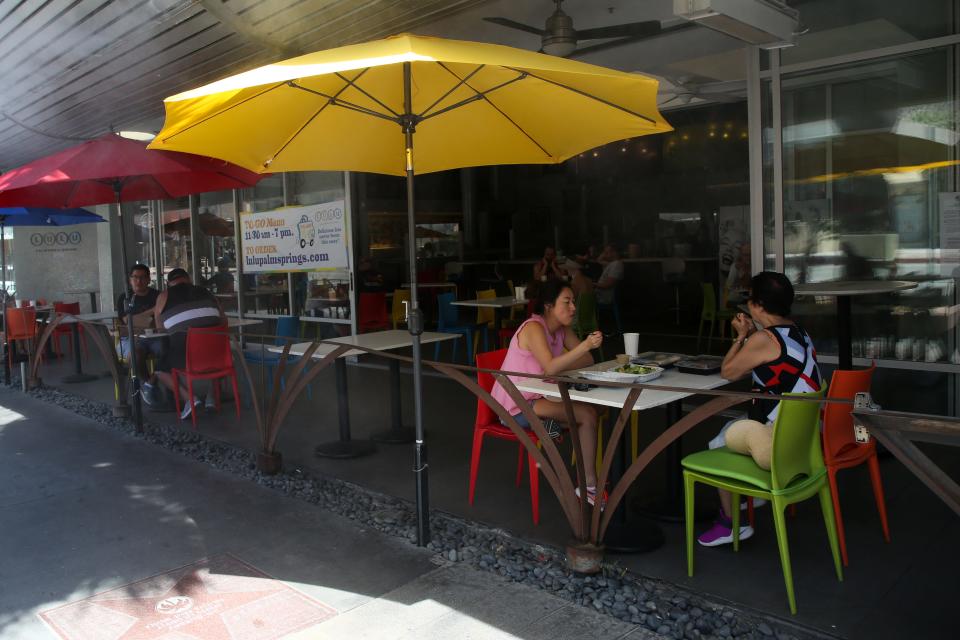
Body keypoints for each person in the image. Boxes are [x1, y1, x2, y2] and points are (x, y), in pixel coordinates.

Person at [697, 271, 822, 547]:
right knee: (734, 428)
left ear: (758, 305)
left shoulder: (766, 339)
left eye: (750, 298)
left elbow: (728, 371)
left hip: (775, 434)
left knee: (716, 444)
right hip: (803, 432)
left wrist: (741, 336)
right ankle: (751, 494)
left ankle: (731, 524)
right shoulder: (799, 332)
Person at [490, 278, 606, 506]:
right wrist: (582, 347)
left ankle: (550, 427)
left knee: (593, 412)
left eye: (573, 301)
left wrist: (565, 360)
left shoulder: (562, 329)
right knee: (586, 415)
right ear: (549, 305)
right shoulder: (533, 328)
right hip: (515, 404)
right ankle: (590, 487)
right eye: (567, 302)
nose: (573, 307)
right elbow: (550, 369)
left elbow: (588, 360)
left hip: (539, 397)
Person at [152, 268, 227, 419]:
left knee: (160, 370)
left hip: (188, 355)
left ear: (168, 283)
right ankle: (211, 398)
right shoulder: (207, 292)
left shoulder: (164, 296)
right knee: (221, 358)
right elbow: (224, 321)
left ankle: (190, 399)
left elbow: (160, 328)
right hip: (218, 355)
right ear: (189, 279)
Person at [116, 263, 163, 382]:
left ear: (148, 279)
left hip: (155, 336)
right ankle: (147, 383)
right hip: (131, 337)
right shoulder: (125, 298)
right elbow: (128, 321)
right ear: (130, 280)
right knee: (135, 355)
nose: (138, 280)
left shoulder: (158, 296)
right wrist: (153, 310)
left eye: (142, 277)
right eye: (135, 277)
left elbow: (161, 320)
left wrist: (139, 319)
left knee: (169, 350)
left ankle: (159, 379)